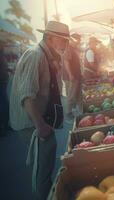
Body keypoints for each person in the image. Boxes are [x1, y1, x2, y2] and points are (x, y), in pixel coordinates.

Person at [9, 21, 69, 200]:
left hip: (37, 121)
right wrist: (40, 125)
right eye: (62, 39)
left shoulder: (46, 54)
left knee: (46, 164)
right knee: (43, 169)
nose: (66, 44)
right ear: (50, 38)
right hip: (32, 124)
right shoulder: (36, 55)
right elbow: (27, 95)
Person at [62, 33, 82, 121]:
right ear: (72, 40)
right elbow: (66, 62)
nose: (78, 42)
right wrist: (70, 75)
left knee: (78, 95)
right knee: (71, 96)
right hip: (71, 77)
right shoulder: (68, 48)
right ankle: (68, 113)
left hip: (76, 76)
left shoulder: (74, 48)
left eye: (79, 40)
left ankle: (81, 111)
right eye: (77, 40)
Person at [0, 43, 12, 133]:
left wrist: (9, 70)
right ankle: (3, 127)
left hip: (3, 82)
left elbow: (3, 67)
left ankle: (5, 126)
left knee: (5, 105)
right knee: (4, 106)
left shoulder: (2, 55)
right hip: (1, 82)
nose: (4, 46)